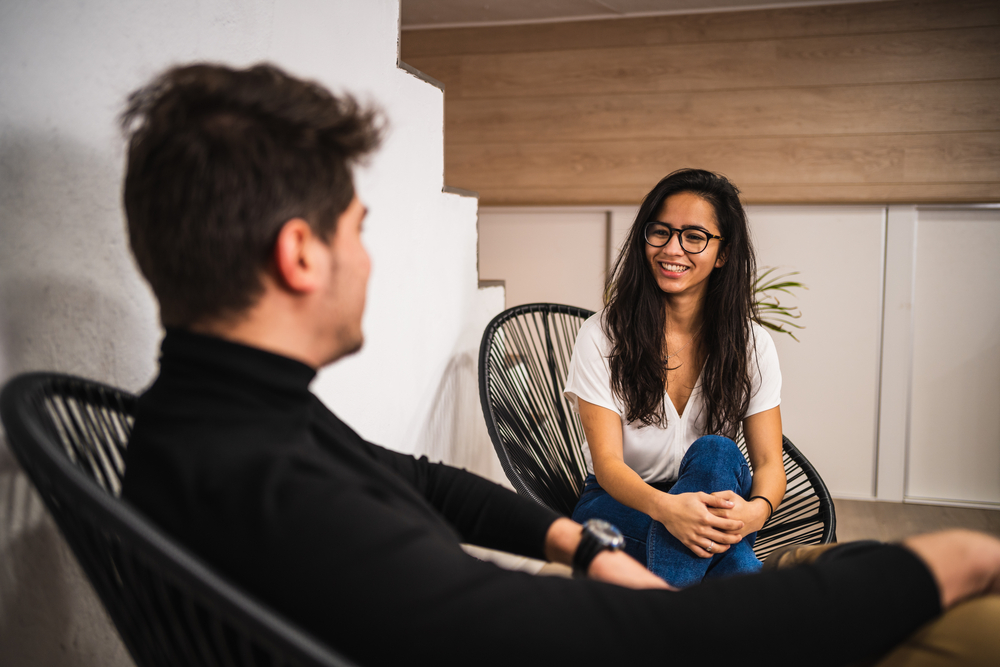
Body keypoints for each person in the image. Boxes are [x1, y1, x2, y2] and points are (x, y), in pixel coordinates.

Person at [119, 62, 1000, 667]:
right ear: (300, 255)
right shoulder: (281, 499)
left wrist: (581, 546)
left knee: (823, 546)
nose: (370, 259)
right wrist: (935, 564)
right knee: (965, 621)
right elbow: (626, 640)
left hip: (643, 559)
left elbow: (430, 483)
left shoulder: (225, 421)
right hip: (653, 629)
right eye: (360, 229)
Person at [567, 169, 783, 587]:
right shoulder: (602, 334)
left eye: (694, 236)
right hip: (620, 502)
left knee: (717, 453)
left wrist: (756, 511)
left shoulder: (752, 343)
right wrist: (668, 509)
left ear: (722, 253)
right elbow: (609, 466)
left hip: (716, 502)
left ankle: (660, 630)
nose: (672, 248)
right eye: (661, 232)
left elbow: (770, 464)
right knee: (729, 558)